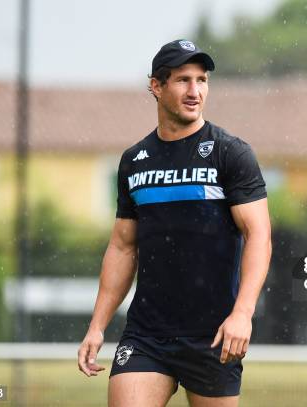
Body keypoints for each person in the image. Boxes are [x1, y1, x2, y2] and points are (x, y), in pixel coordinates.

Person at [77, 39, 272, 407]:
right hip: (146, 335)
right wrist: (97, 326)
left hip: (213, 336)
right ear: (157, 86)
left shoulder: (230, 153)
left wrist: (242, 314)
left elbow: (259, 235)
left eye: (202, 80)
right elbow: (122, 246)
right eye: (183, 80)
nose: (195, 91)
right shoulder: (135, 161)